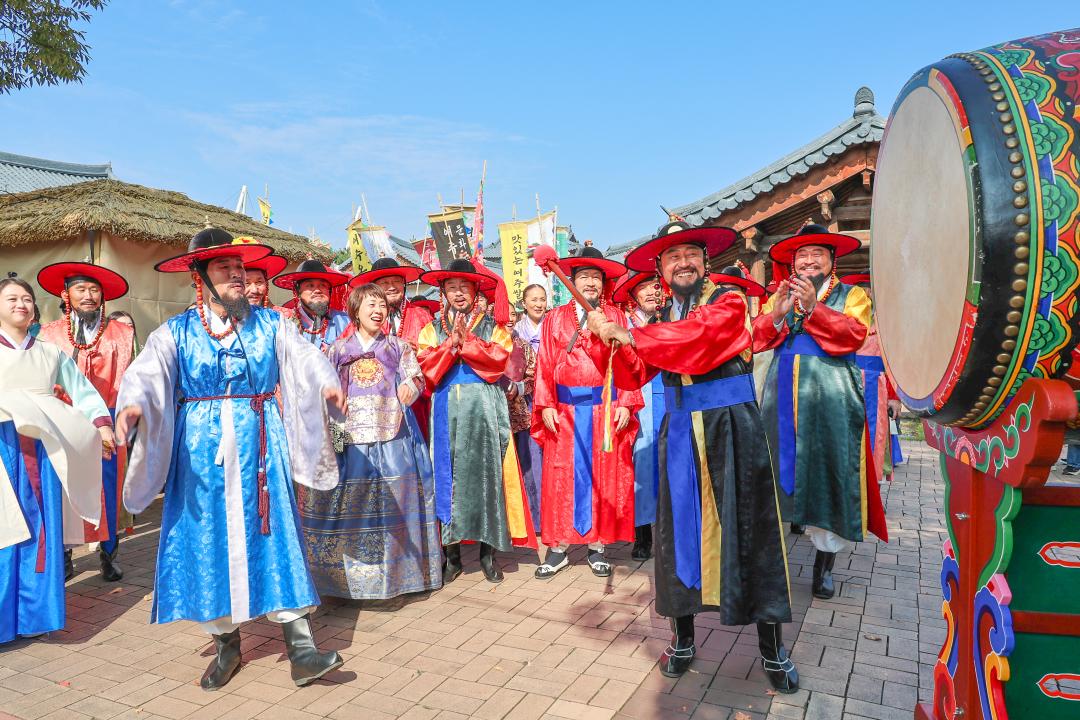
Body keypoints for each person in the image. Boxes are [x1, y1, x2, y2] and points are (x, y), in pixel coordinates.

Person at [114, 227, 346, 690]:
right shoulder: (175, 333)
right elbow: (146, 373)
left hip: (262, 441)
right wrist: (133, 405)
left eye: (240, 269)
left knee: (275, 532)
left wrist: (326, 385)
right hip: (200, 453)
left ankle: (301, 649)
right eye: (226, 269)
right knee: (207, 541)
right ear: (200, 277)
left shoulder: (271, 324)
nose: (238, 277)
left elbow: (304, 360)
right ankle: (227, 644)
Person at [586, 219, 797, 692]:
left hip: (732, 427)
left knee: (752, 531)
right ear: (661, 268)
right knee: (677, 534)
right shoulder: (657, 321)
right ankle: (683, 638)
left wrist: (630, 334)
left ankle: (772, 648)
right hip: (679, 431)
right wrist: (605, 339)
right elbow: (631, 373)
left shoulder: (727, 303)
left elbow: (701, 341)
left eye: (690, 254)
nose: (683, 262)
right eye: (672, 256)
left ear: (705, 262)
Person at [754, 225, 888, 601]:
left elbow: (853, 335)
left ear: (832, 260)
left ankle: (824, 564)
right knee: (774, 470)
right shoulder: (780, 294)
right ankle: (770, 562)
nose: (808, 260)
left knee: (828, 473)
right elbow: (759, 337)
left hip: (830, 393)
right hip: (780, 395)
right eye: (801, 255)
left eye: (817, 254)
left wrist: (815, 307)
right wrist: (778, 315)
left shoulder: (852, 295)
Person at [299, 283, 442, 600]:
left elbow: (416, 376)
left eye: (381, 305)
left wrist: (410, 387)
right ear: (355, 311)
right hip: (351, 439)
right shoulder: (336, 350)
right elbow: (321, 384)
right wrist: (329, 400)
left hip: (391, 434)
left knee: (396, 505)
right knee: (354, 507)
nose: (378, 311)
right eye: (370, 306)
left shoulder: (398, 347)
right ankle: (345, 583)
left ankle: (398, 580)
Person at [0, 274, 113, 644]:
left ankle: (36, 615)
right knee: (5, 528)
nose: (21, 304)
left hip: (43, 450)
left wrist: (101, 424)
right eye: (12, 298)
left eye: (27, 299)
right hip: (4, 446)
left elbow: (83, 391)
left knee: (39, 528)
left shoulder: (50, 351)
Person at [416, 259, 536, 584]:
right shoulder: (431, 328)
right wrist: (449, 346)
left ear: (474, 291)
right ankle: (452, 557)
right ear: (442, 292)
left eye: (464, 287)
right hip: (445, 409)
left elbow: (498, 361)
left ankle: (487, 555)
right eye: (451, 287)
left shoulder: (493, 326)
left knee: (487, 478)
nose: (458, 293)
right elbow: (427, 367)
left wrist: (463, 344)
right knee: (448, 478)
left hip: (485, 407)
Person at [531, 247, 641, 579]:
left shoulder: (616, 318)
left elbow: (629, 361)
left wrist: (625, 401)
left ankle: (597, 547)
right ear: (572, 281)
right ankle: (558, 548)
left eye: (595, 277)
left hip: (603, 410)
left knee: (603, 477)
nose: (590, 283)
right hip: (564, 411)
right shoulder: (554, 318)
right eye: (583, 277)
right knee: (561, 477)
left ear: (604, 283)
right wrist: (546, 403)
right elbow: (544, 365)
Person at [37, 261, 135, 582]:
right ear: (66, 295)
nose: (89, 296)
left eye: (94, 290)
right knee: (64, 489)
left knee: (108, 487)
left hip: (106, 421)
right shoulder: (49, 334)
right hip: (62, 423)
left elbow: (129, 381)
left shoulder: (121, 333)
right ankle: (65, 555)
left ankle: (109, 553)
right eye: (81, 289)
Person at [350, 258, 435, 437]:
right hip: (374, 404)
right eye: (385, 283)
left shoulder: (422, 317)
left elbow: (436, 359)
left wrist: (417, 353)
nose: (392, 286)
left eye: (397, 281)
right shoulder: (360, 321)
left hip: (416, 402)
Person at [613, 271, 664, 560]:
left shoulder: (669, 319)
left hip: (667, 397)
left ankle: (667, 533)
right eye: (643, 288)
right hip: (637, 399)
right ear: (633, 295)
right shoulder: (624, 324)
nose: (651, 293)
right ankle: (642, 534)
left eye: (655, 287)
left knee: (669, 465)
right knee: (640, 466)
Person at [840, 273, 904, 481]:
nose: (866, 295)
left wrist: (895, 397)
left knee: (875, 437)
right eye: (862, 291)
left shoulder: (885, 323)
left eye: (869, 291)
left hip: (876, 386)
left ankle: (872, 491)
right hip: (847, 380)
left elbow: (892, 364)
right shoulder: (846, 319)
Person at [273, 259, 351, 352]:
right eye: (310, 285)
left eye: (323, 285)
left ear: (329, 291)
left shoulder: (345, 322)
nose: (317, 290)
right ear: (297, 291)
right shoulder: (286, 323)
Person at [515, 284, 548, 355]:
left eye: (543, 300)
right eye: (534, 300)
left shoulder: (553, 325)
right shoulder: (517, 328)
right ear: (524, 304)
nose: (539, 305)